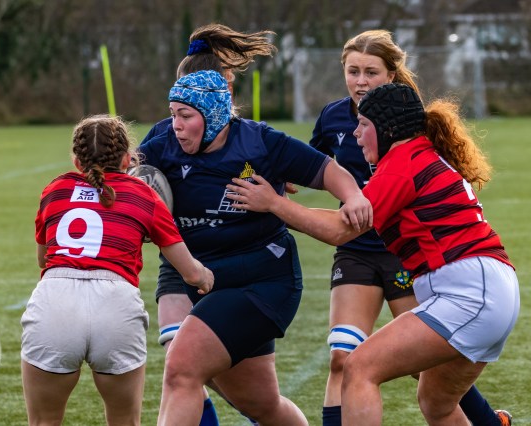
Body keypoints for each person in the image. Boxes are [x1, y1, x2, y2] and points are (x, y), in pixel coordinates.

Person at [226, 83, 520, 426]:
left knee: (359, 367)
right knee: (436, 402)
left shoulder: (401, 163)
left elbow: (339, 229)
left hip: (469, 292)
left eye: (363, 124)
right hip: (487, 289)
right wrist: (281, 206)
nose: (356, 133)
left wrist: (274, 204)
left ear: (387, 129)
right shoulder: (418, 154)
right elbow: (345, 220)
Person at [139, 69, 371, 426]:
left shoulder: (258, 142)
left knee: (181, 367)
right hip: (209, 285)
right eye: (173, 115)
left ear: (213, 115)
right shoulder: (161, 146)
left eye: (185, 116)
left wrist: (353, 195)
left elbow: (326, 170)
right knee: (262, 405)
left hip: (264, 282)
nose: (177, 126)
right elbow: (125, 184)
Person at [309, 29, 511, 426]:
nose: (360, 81)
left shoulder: (405, 137)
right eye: (352, 71)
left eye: (370, 72)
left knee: (414, 367)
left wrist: (274, 206)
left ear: (391, 76)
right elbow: (313, 163)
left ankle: (489, 421)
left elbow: (340, 226)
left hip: (409, 257)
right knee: (347, 359)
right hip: (362, 251)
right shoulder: (334, 117)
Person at [20, 114, 214, 426]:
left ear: (76, 161)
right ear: (127, 159)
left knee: (44, 422)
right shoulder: (144, 194)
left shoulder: (55, 189)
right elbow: (190, 273)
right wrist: (206, 277)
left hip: (56, 300)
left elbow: (43, 260)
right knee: (124, 421)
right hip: (116, 304)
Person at [141, 24, 277, 425]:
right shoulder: (163, 136)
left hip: (241, 268)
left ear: (225, 89)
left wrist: (275, 187)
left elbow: (283, 179)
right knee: (179, 362)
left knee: (257, 400)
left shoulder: (250, 140)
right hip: (182, 262)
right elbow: (139, 180)